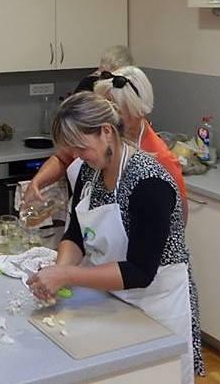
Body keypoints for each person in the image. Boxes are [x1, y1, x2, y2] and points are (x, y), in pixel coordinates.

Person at [24, 93, 203, 382]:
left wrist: (67, 275)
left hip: (156, 304)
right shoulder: (90, 171)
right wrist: (59, 269)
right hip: (111, 298)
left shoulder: (149, 182)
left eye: (82, 147)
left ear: (106, 132)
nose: (78, 156)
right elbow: (77, 232)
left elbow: (140, 271)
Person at [93, 66, 189, 224]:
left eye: (117, 111)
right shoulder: (105, 141)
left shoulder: (160, 158)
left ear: (138, 111)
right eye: (106, 108)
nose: (108, 118)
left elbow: (180, 217)